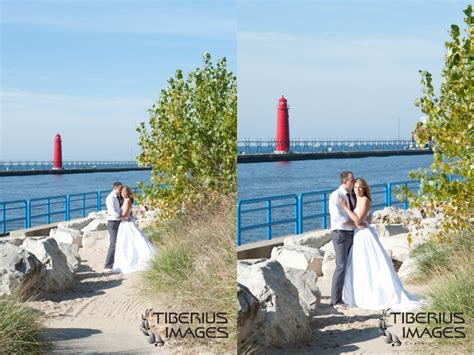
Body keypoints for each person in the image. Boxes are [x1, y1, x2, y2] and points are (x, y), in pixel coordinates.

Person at [339, 178, 420, 310]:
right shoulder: (354, 199)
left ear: (365, 188)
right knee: (359, 266)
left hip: (365, 236)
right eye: (355, 187)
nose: (357, 190)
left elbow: (358, 221)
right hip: (358, 235)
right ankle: (359, 295)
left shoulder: (365, 200)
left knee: (372, 264)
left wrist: (345, 208)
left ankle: (376, 296)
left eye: (360, 187)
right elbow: (362, 219)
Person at [328, 171, 359, 308]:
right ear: (345, 181)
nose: (354, 182)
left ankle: (348, 295)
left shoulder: (351, 196)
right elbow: (337, 217)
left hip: (351, 233)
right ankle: (336, 300)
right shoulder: (336, 195)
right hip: (340, 233)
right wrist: (354, 223)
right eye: (352, 180)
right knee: (341, 266)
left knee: (349, 265)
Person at [113, 186, 157, 273]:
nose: (123, 193)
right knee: (128, 242)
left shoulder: (127, 200)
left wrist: (115, 216)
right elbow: (130, 213)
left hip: (126, 224)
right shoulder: (126, 200)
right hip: (126, 222)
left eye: (125, 192)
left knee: (128, 242)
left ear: (128, 193)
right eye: (122, 192)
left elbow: (124, 214)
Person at [104, 181, 124, 272]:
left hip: (119, 221)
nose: (121, 191)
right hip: (113, 222)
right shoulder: (110, 198)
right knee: (113, 243)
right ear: (115, 188)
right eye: (120, 189)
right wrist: (122, 216)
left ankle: (116, 263)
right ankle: (108, 265)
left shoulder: (119, 197)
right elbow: (112, 211)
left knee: (119, 243)